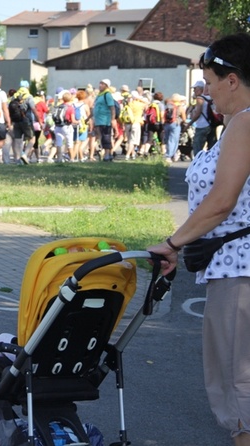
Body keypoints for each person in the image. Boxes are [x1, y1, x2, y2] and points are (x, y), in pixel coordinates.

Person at [148, 32, 250, 446]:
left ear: (232, 79)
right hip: (230, 264)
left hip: (239, 269)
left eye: (209, 82)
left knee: (237, 378)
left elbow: (221, 201)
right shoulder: (235, 126)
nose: (206, 93)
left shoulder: (245, 122)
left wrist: (172, 243)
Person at [188, 79, 218, 156]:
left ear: (200, 89)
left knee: (197, 148)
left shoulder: (200, 99)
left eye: (195, 88)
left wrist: (189, 124)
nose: (194, 90)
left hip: (202, 125)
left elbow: (198, 113)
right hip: (211, 124)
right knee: (211, 148)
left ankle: (197, 165)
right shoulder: (210, 97)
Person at [90, 78, 116, 162]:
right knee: (101, 138)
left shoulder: (107, 94)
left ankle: (107, 154)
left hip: (105, 120)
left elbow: (112, 107)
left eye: (103, 84)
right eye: (100, 83)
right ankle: (105, 153)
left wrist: (112, 119)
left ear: (106, 86)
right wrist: (88, 118)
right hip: (98, 120)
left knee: (106, 137)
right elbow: (95, 108)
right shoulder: (99, 95)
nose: (100, 85)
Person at [163, 93, 187, 163]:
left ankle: (170, 154)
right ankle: (169, 156)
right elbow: (184, 118)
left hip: (167, 124)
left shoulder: (168, 105)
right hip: (175, 124)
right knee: (173, 140)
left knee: (168, 140)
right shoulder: (180, 107)